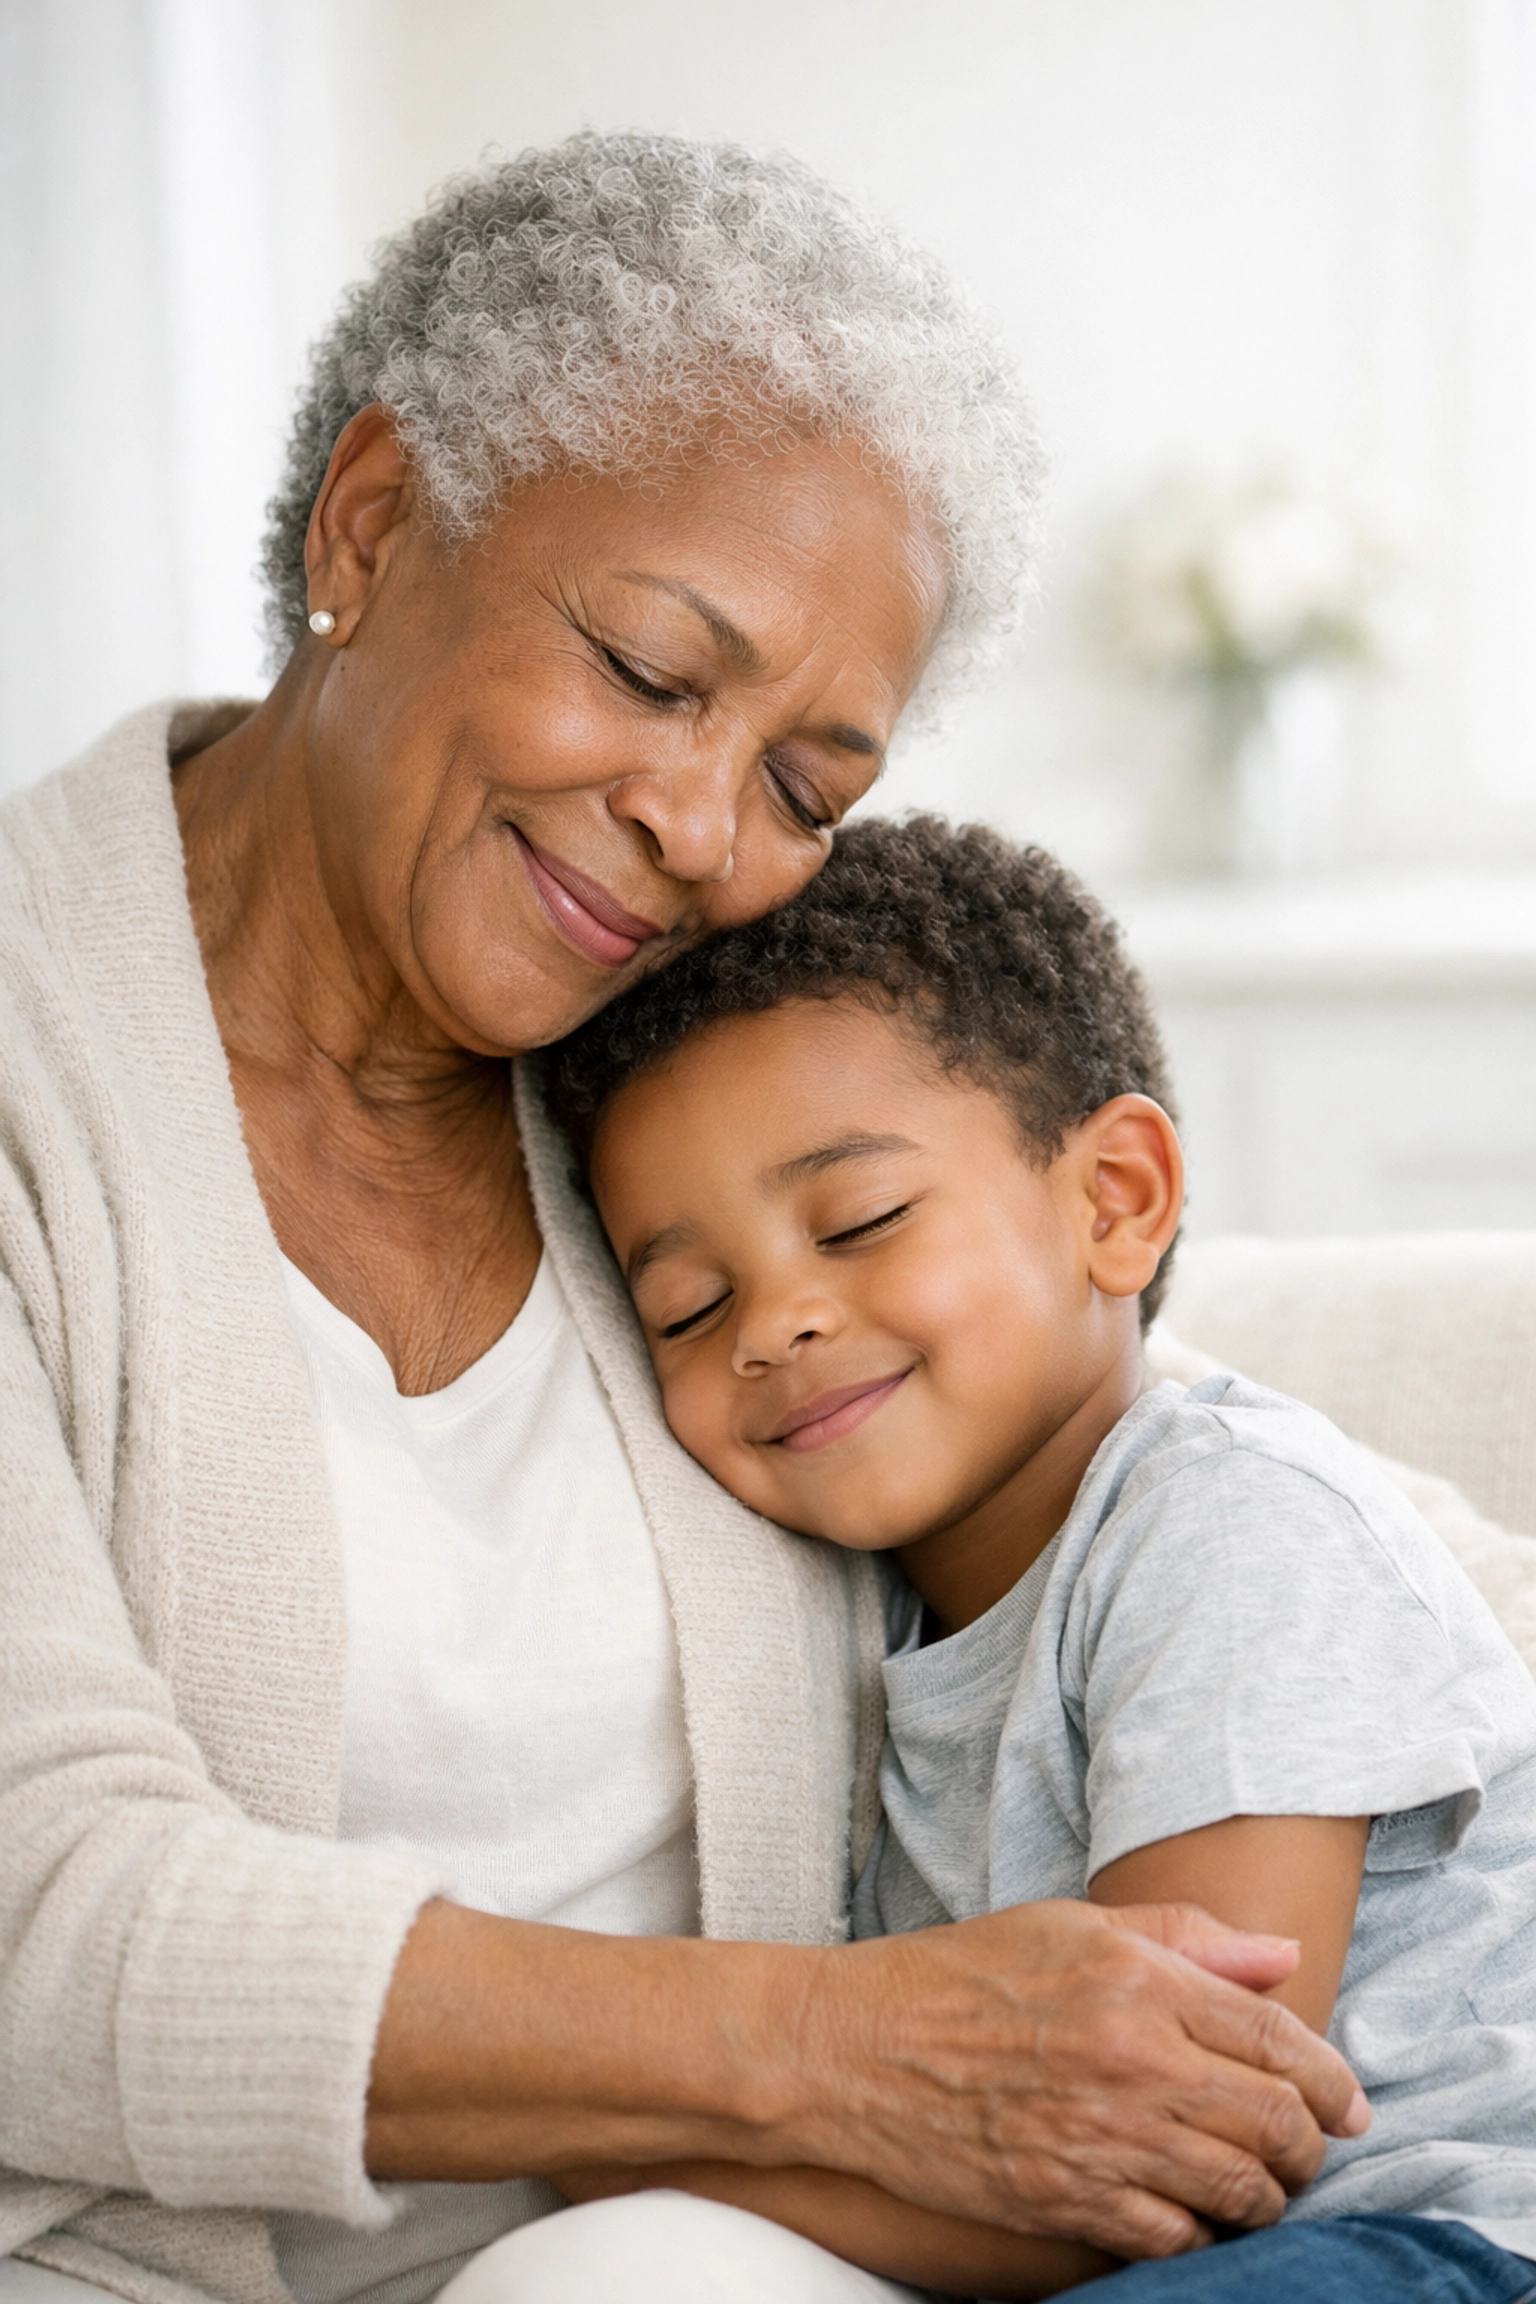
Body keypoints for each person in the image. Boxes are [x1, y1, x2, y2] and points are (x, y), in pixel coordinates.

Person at [0, 136, 1363, 2304]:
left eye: (812, 786)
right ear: (372, 523)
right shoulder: (39, 1071)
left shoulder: (681, 1093)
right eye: (650, 670)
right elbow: (35, 1912)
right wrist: (844, 2055)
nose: (707, 833)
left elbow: (1127, 1442)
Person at [545, 814, 1536, 2302]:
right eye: (687, 1307)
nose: (773, 1324)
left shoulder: (1231, 1527)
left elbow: (1178, 2151)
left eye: (860, 1220)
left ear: (1114, 1200)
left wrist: (649, 2157)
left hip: (1433, 2242)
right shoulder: (845, 1632)